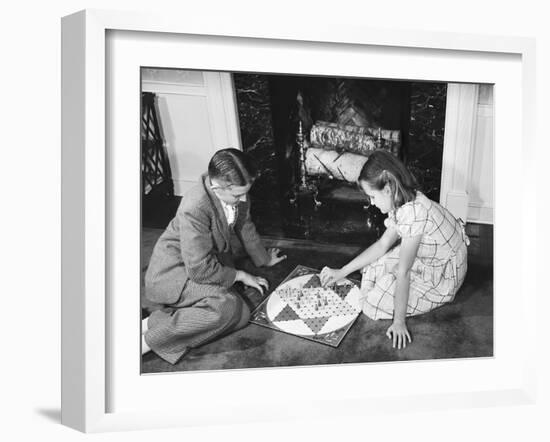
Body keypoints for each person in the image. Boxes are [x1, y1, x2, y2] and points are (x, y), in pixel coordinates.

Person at [142, 148, 286, 364]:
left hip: (203, 264)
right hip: (175, 273)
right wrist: (240, 275)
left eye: (246, 192)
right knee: (226, 306)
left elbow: (245, 225)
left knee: (241, 315)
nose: (244, 199)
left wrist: (263, 258)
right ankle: (149, 340)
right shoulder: (194, 206)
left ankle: (155, 321)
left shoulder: (235, 194)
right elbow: (198, 268)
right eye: (238, 195)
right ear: (217, 187)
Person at [320, 150, 469, 350]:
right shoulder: (403, 200)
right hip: (430, 254)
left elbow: (404, 272)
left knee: (371, 303)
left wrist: (399, 321)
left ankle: (397, 299)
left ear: (388, 189)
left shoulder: (414, 213)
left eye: (372, 196)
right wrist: (342, 271)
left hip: (443, 274)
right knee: (374, 266)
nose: (371, 202)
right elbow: (382, 245)